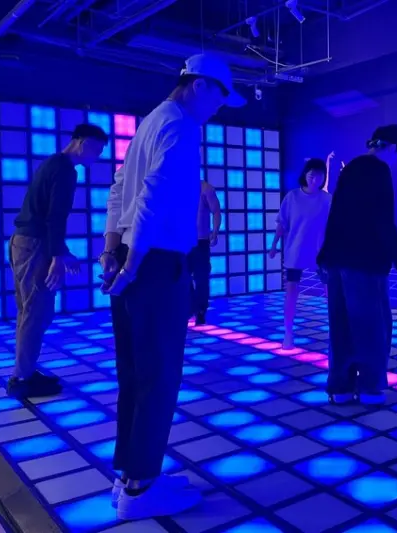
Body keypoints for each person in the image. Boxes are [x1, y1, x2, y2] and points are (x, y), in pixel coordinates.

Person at [100, 53, 244, 520]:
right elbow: (153, 195)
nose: (218, 108)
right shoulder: (181, 125)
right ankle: (140, 488)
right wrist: (134, 261)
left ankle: (128, 475)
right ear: (200, 85)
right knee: (158, 377)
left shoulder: (150, 122)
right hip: (155, 264)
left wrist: (112, 251)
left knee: (134, 374)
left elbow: (118, 189)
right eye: (220, 97)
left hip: (133, 259)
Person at [8, 124, 108, 398]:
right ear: (82, 142)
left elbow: (46, 216)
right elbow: (55, 217)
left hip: (24, 242)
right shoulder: (65, 170)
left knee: (30, 311)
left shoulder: (52, 163)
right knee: (36, 312)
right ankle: (21, 378)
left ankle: (25, 371)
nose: (97, 156)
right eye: (97, 150)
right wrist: (56, 258)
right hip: (34, 245)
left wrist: (62, 252)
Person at [317, 125, 397, 406]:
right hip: (366, 261)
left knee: (341, 324)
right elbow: (381, 218)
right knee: (372, 325)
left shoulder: (351, 168)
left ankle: (341, 387)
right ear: (392, 148)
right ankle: (370, 387)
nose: (396, 160)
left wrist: (325, 255)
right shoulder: (380, 170)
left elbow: (336, 214)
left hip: (337, 259)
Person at [269, 158, 332, 349]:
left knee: (330, 291)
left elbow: (334, 226)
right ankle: (288, 332)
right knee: (291, 290)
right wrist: (274, 245)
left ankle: (335, 332)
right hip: (295, 251)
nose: (315, 180)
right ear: (305, 174)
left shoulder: (327, 199)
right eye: (312, 175)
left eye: (319, 176)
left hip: (321, 252)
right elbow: (282, 224)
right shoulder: (292, 197)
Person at [189, 180, 222, 325]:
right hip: (183, 242)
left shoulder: (205, 188)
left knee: (201, 278)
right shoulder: (178, 187)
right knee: (182, 277)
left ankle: (200, 310)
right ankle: (191, 307)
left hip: (201, 241)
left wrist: (215, 231)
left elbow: (216, 211)